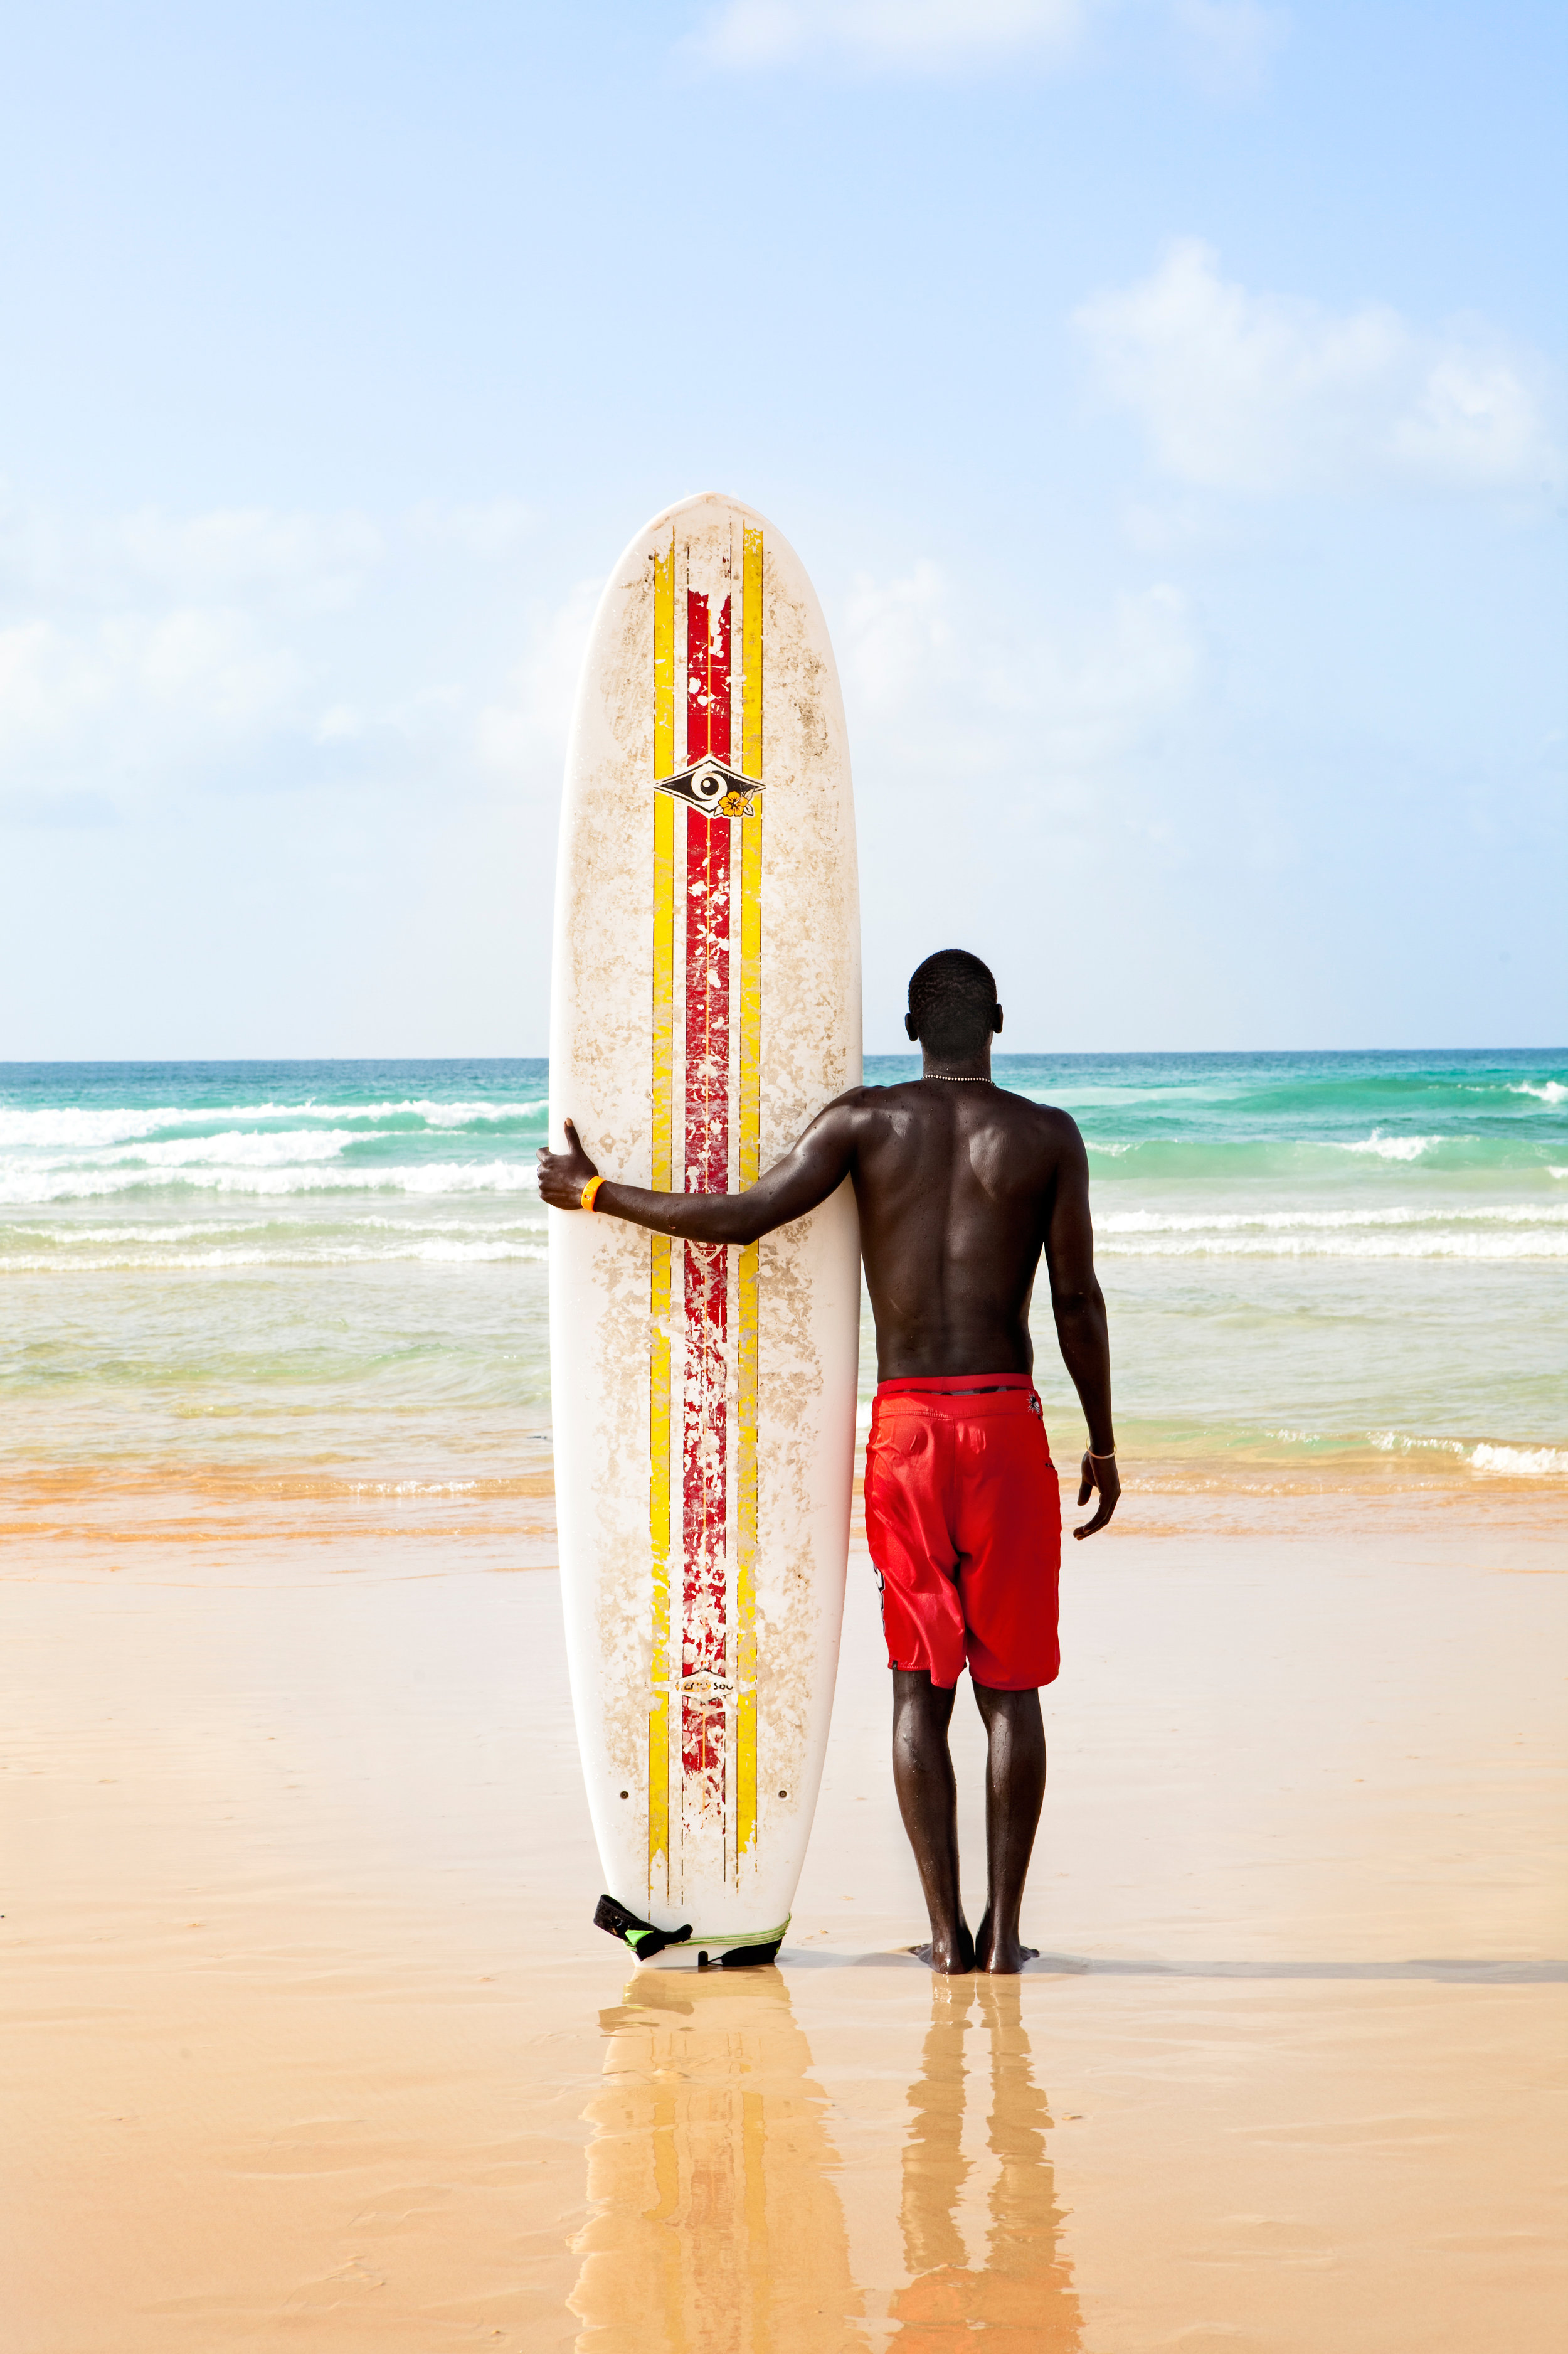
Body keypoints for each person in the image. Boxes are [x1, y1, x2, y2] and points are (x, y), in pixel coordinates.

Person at [536, 947, 1119, 1974]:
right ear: (999, 1020)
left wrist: (595, 1194)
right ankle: (1004, 1943)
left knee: (916, 1692)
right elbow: (1077, 1299)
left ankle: (943, 1938)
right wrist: (1104, 1439)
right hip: (1004, 1425)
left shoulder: (864, 1122)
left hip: (904, 1436)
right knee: (1011, 1693)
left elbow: (744, 1221)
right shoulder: (1046, 1135)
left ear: (908, 1024)